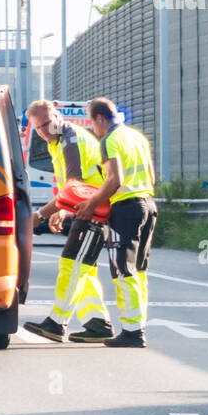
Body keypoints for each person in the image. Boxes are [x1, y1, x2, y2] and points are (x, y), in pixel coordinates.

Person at [20, 100, 115, 344]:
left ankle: (57, 323)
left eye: (48, 123)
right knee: (83, 271)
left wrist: (40, 215)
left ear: (57, 116)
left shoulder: (70, 140)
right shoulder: (58, 141)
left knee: (70, 265)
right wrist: (62, 210)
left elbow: (74, 186)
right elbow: (71, 188)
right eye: (39, 128)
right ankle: (97, 323)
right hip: (89, 208)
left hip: (93, 211)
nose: (45, 130)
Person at [75, 97, 156, 348]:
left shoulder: (109, 140)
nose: (92, 128)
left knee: (123, 269)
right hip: (148, 204)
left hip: (126, 208)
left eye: (91, 122)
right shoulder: (136, 136)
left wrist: (91, 203)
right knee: (139, 271)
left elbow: (114, 180)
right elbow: (151, 174)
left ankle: (132, 332)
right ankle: (137, 325)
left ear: (100, 118)